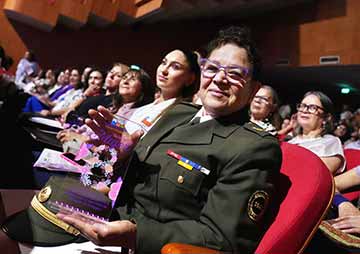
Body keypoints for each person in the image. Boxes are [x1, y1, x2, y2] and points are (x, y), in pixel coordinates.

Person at [0, 26, 282, 254]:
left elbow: (222, 239)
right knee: (12, 209)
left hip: (135, 241)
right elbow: (121, 174)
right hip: (103, 208)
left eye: (234, 74)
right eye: (212, 68)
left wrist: (134, 235)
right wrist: (117, 157)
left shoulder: (252, 146)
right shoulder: (180, 113)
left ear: (254, 87)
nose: (220, 79)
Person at [287, 91, 345, 175]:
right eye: (302, 106)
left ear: (326, 117)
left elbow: (317, 175)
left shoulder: (331, 142)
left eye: (312, 107)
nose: (304, 110)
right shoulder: (291, 141)